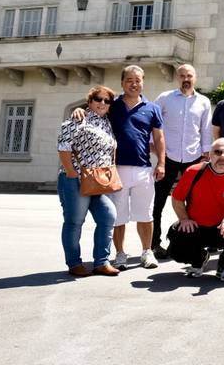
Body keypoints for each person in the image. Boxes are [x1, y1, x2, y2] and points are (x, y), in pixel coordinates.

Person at [72, 65, 166, 269]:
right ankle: (120, 254)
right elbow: (95, 111)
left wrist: (161, 163)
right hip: (115, 169)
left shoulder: (153, 108)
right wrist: (80, 109)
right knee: (118, 216)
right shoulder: (113, 105)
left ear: (143, 82)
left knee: (146, 214)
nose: (134, 83)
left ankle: (147, 252)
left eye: (138, 80)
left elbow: (158, 138)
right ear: (122, 83)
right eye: (129, 80)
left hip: (143, 169)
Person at [56, 85, 120, 276]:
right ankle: (74, 263)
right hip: (74, 178)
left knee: (108, 216)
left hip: (95, 181)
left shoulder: (106, 123)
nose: (102, 103)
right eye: (98, 99)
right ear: (90, 102)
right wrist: (71, 173)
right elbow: (63, 147)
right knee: (74, 221)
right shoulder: (78, 119)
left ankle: (101, 262)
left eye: (107, 101)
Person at [168, 138, 224, 282]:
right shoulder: (193, 171)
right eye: (218, 152)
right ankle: (199, 259)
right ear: (210, 155)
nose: (222, 156)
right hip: (196, 227)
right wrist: (184, 219)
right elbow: (177, 198)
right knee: (175, 249)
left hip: (223, 229)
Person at [152, 64, 212, 259]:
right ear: (177, 78)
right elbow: (153, 123)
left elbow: (205, 130)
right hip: (167, 157)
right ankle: (154, 244)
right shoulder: (164, 98)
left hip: (193, 158)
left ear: (195, 78)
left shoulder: (203, 102)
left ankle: (197, 242)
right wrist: (153, 147)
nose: (186, 79)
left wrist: (206, 154)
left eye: (189, 76)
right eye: (182, 76)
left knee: (196, 203)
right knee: (159, 202)